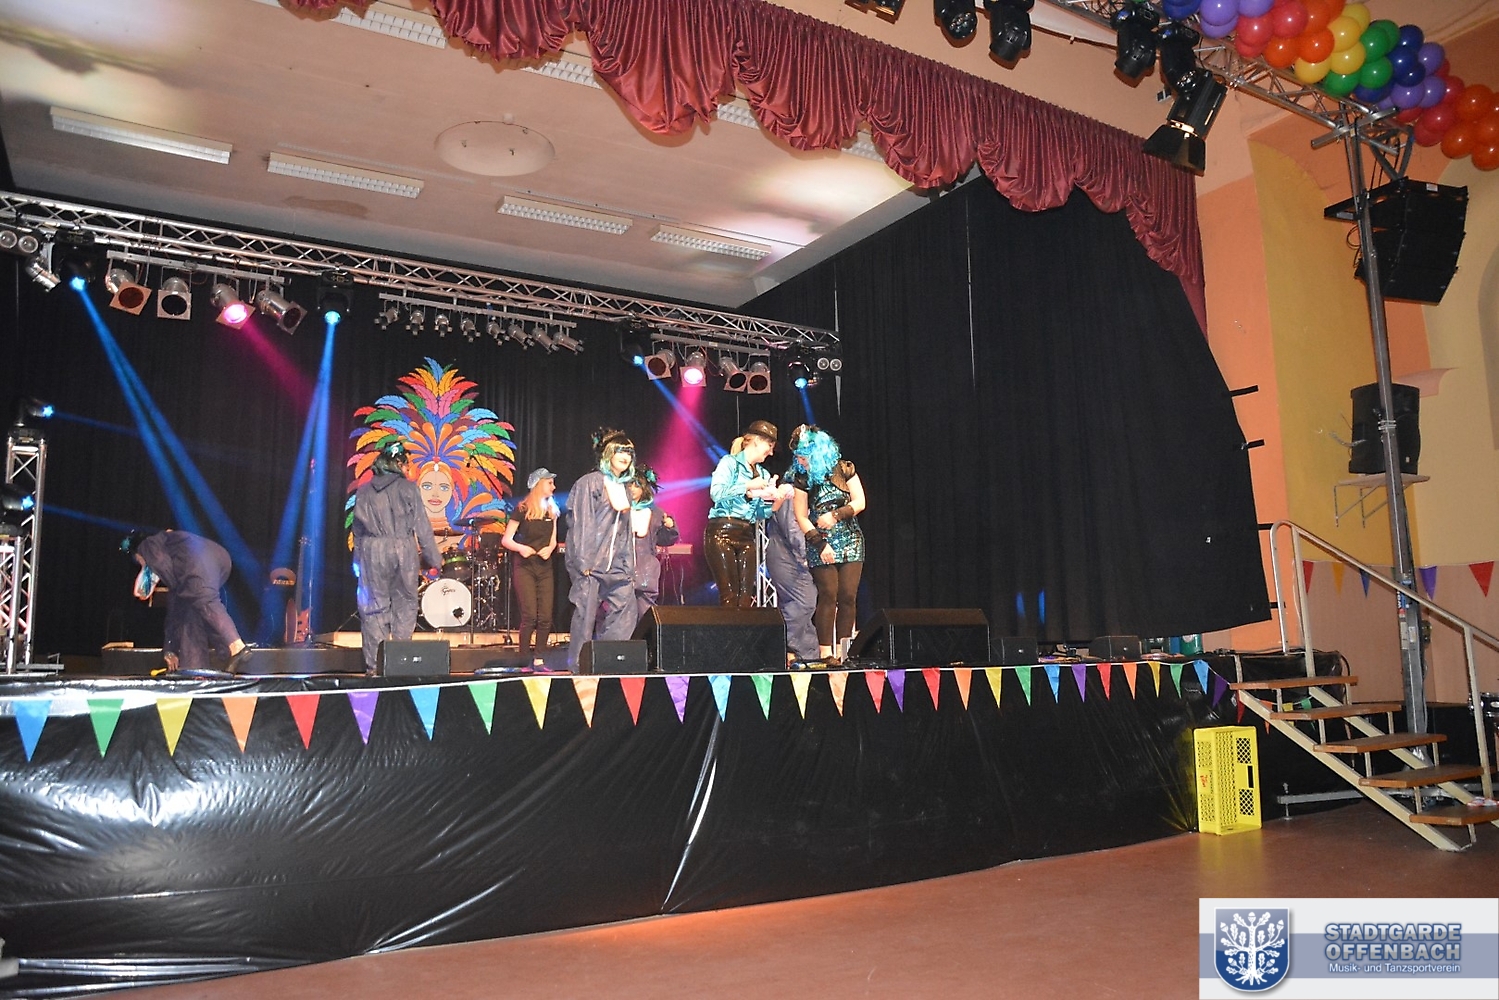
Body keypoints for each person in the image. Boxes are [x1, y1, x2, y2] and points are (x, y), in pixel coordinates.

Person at [351, 440, 443, 674]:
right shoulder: (408, 489)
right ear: (398, 464)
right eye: (407, 464)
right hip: (402, 549)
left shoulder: (363, 491)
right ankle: (400, 663)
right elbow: (422, 527)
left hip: (372, 550)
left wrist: (358, 561)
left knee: (373, 608)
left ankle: (375, 667)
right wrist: (434, 559)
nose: (408, 468)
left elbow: (357, 531)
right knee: (405, 604)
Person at [124, 529, 252, 674]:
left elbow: (160, 566)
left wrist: (157, 579)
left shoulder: (147, 545)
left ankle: (237, 646)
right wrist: (170, 649)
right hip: (220, 558)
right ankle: (203, 665)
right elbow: (175, 612)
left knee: (206, 600)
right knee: (191, 614)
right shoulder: (175, 550)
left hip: (198, 561)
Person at [564, 429, 639, 669]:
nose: (625, 456)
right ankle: (579, 666)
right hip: (590, 562)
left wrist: (628, 566)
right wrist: (584, 562)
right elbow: (581, 523)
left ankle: (607, 660)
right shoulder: (590, 483)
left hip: (616, 565)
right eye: (620, 451)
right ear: (608, 454)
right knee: (585, 616)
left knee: (626, 609)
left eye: (629, 452)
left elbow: (625, 531)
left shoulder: (624, 489)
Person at [791, 426, 866, 663]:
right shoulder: (802, 478)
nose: (800, 461)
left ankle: (845, 651)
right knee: (828, 594)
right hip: (820, 541)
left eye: (803, 456)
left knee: (848, 596)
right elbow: (801, 516)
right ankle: (826, 653)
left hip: (850, 538)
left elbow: (860, 501)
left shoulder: (845, 469)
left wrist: (836, 515)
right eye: (798, 457)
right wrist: (820, 544)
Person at [705, 420, 789, 608]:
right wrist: (747, 486)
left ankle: (742, 626)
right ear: (757, 441)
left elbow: (759, 512)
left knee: (745, 597)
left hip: (746, 534)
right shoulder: (729, 463)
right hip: (721, 531)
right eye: (769, 446)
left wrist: (778, 501)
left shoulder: (763, 474)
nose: (771, 452)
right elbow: (716, 493)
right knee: (729, 595)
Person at [764, 429, 820, 663]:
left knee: (797, 604)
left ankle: (804, 654)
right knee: (805, 600)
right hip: (786, 556)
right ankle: (785, 648)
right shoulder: (791, 489)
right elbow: (793, 527)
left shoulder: (802, 489)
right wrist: (807, 555)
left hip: (788, 555)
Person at [502, 468, 560, 665]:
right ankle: (524, 659)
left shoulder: (552, 510)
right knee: (529, 616)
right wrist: (522, 548)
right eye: (549, 483)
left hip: (545, 567)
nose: (553, 487)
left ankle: (539, 658)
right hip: (525, 566)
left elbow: (553, 540)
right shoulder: (522, 509)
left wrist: (549, 549)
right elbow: (506, 540)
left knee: (545, 617)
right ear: (539, 484)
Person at [627, 464, 679, 618]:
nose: (632, 489)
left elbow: (665, 539)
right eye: (629, 485)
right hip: (620, 566)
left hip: (645, 567)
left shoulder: (655, 512)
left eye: (637, 485)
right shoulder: (618, 509)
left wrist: (670, 526)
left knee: (644, 610)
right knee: (618, 610)